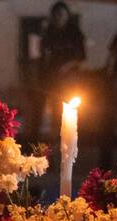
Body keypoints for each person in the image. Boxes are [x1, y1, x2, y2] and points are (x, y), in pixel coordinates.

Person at [38, 3, 86, 135]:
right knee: (54, 104)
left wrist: (67, 66)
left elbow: (81, 56)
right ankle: (55, 131)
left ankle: (71, 132)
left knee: (70, 104)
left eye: (61, 14)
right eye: (56, 14)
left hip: (70, 78)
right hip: (52, 76)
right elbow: (43, 55)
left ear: (67, 16)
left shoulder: (74, 32)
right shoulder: (49, 31)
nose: (58, 18)